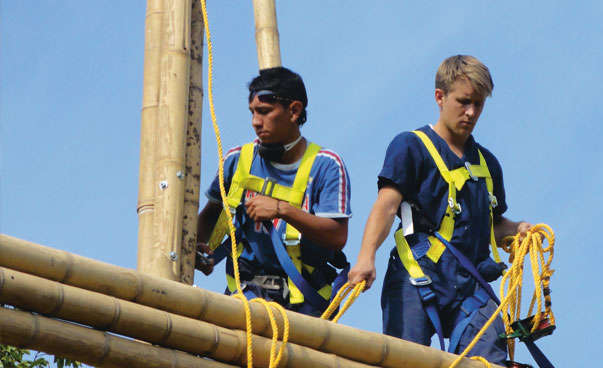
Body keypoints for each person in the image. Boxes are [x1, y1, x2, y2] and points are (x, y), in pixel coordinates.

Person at [348, 55, 534, 365]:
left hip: (471, 287)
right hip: (417, 276)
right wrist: (366, 257)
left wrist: (519, 231)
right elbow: (387, 204)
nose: (471, 112)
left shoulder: (487, 165)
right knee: (404, 360)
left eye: (478, 104)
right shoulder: (411, 147)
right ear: (440, 97)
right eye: (463, 102)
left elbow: (493, 223)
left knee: (490, 361)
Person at [196, 66, 351, 317]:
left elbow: (336, 236)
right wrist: (198, 247)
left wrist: (282, 210)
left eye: (265, 112)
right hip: (246, 296)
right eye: (253, 113)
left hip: (305, 303)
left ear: (294, 111)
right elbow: (211, 213)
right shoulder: (238, 161)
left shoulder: (325, 165)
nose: (256, 122)